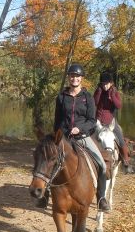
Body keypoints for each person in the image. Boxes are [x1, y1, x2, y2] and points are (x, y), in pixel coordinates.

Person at [42, 63, 111, 212]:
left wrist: (80, 128)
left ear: (81, 79)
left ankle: (101, 198)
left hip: (82, 137)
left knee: (102, 164)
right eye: (72, 75)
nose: (74, 78)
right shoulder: (61, 97)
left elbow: (92, 121)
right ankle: (46, 192)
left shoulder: (87, 97)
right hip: (64, 138)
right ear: (69, 77)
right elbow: (57, 120)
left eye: (77, 76)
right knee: (48, 160)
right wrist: (57, 136)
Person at [93, 72, 132, 173]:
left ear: (111, 83)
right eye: (103, 83)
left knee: (120, 138)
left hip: (111, 122)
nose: (105, 85)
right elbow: (95, 103)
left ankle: (126, 162)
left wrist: (112, 96)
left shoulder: (114, 92)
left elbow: (119, 106)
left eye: (107, 83)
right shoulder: (99, 90)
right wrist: (99, 92)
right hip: (97, 121)